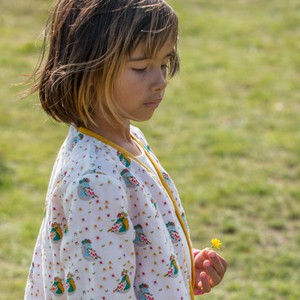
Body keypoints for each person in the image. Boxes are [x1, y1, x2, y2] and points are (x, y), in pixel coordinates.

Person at [25, 0, 227, 299]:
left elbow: (124, 248)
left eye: (164, 63)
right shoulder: (95, 180)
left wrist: (175, 265)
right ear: (89, 68)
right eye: (141, 67)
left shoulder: (130, 139)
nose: (160, 81)